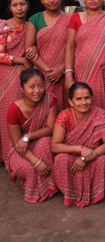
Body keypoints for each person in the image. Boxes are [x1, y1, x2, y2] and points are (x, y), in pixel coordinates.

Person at [50, 82, 105, 208]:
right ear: (70, 101)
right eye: (78, 99)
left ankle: (94, 193)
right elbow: (55, 146)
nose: (84, 102)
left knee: (104, 160)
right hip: (71, 157)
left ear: (92, 98)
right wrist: (79, 149)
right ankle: (71, 194)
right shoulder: (64, 116)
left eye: (87, 98)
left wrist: (85, 157)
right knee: (60, 159)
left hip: (93, 157)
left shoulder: (99, 114)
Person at [6, 69, 56, 203]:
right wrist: (36, 162)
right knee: (30, 169)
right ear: (22, 89)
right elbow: (18, 144)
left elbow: (50, 129)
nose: (37, 91)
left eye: (40, 86)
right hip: (19, 150)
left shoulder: (49, 100)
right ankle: (34, 191)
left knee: (46, 141)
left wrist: (28, 136)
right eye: (31, 87)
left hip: (37, 141)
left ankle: (47, 188)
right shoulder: (13, 109)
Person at [25, 0, 70, 112]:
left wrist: (60, 69)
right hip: (41, 75)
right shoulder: (35, 19)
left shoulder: (71, 19)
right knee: (42, 110)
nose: (51, 0)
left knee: (64, 109)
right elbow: (29, 51)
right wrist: (49, 71)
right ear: (41, 0)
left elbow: (74, 48)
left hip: (64, 73)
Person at [0, 0, 32, 166]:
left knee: (26, 115)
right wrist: (20, 60)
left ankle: (24, 153)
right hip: (7, 77)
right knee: (8, 115)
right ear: (9, 8)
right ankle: (8, 156)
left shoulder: (31, 26)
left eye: (22, 4)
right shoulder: (4, 26)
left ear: (27, 5)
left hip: (29, 77)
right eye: (15, 5)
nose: (19, 8)